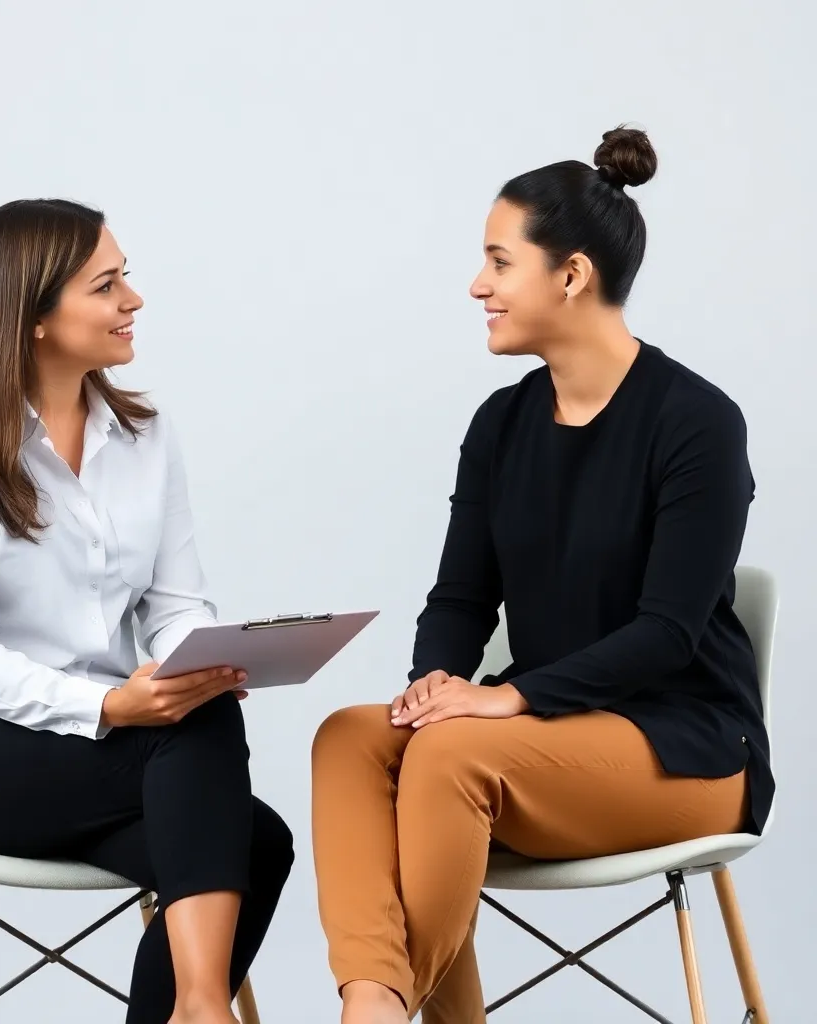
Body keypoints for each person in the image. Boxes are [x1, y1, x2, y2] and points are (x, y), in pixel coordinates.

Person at [310, 127, 773, 1024]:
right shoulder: (502, 424)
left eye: (498, 262)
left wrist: (505, 701)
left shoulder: (697, 425)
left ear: (571, 276)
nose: (477, 286)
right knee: (352, 737)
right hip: (537, 744)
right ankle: (372, 1004)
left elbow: (667, 634)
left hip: (686, 746)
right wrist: (434, 685)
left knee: (450, 754)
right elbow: (459, 598)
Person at [0, 198, 293, 1024]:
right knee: (207, 762)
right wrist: (110, 704)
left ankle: (190, 1011)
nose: (133, 300)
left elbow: (174, 605)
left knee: (249, 821)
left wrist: (190, 660)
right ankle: (202, 1011)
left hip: (93, 751)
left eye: (125, 278)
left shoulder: (145, 435)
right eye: (107, 284)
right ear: (31, 315)